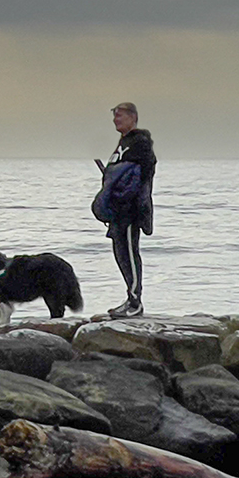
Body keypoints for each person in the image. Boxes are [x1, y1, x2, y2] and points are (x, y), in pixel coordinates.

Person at [92, 102, 156, 318]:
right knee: (120, 255)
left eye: (120, 116)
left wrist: (134, 202)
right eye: (114, 117)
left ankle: (136, 302)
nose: (115, 120)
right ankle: (129, 297)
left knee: (130, 253)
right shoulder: (123, 143)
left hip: (130, 211)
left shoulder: (140, 142)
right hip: (118, 212)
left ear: (132, 117)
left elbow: (142, 176)